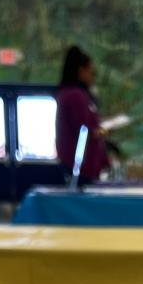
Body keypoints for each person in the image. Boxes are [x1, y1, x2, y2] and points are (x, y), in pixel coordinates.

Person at [55, 45, 109, 185]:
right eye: (91, 72)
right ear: (81, 71)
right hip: (81, 168)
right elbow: (84, 131)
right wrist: (102, 131)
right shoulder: (75, 96)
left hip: (78, 166)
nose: (93, 77)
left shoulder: (68, 94)